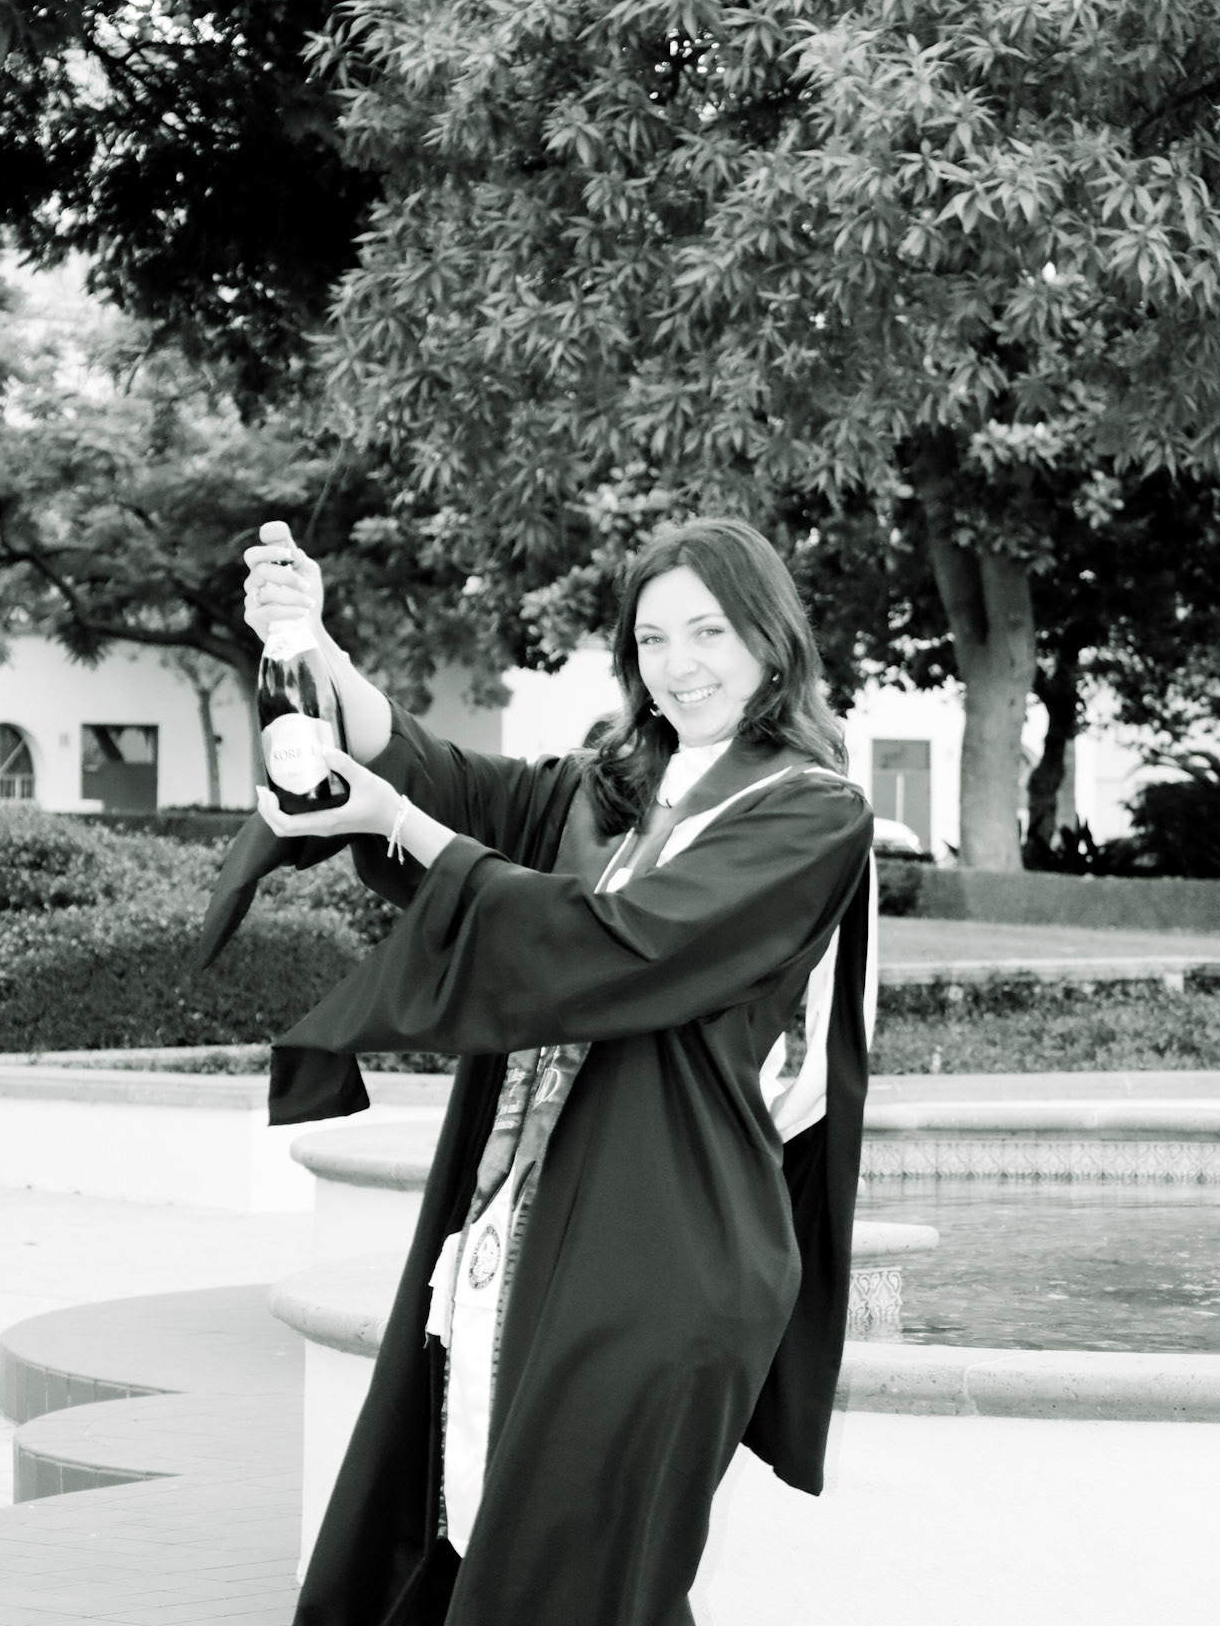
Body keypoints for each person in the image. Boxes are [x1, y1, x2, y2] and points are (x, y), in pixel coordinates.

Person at [199, 515, 877, 1626]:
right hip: (511, 1240)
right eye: (652, 638)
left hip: (663, 1252)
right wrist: (312, 643)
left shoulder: (807, 810)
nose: (680, 663)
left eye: (710, 630)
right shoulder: (614, 791)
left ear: (771, 637)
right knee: (479, 1554)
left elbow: (622, 942)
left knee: (580, 1581)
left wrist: (402, 822)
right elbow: (446, 782)